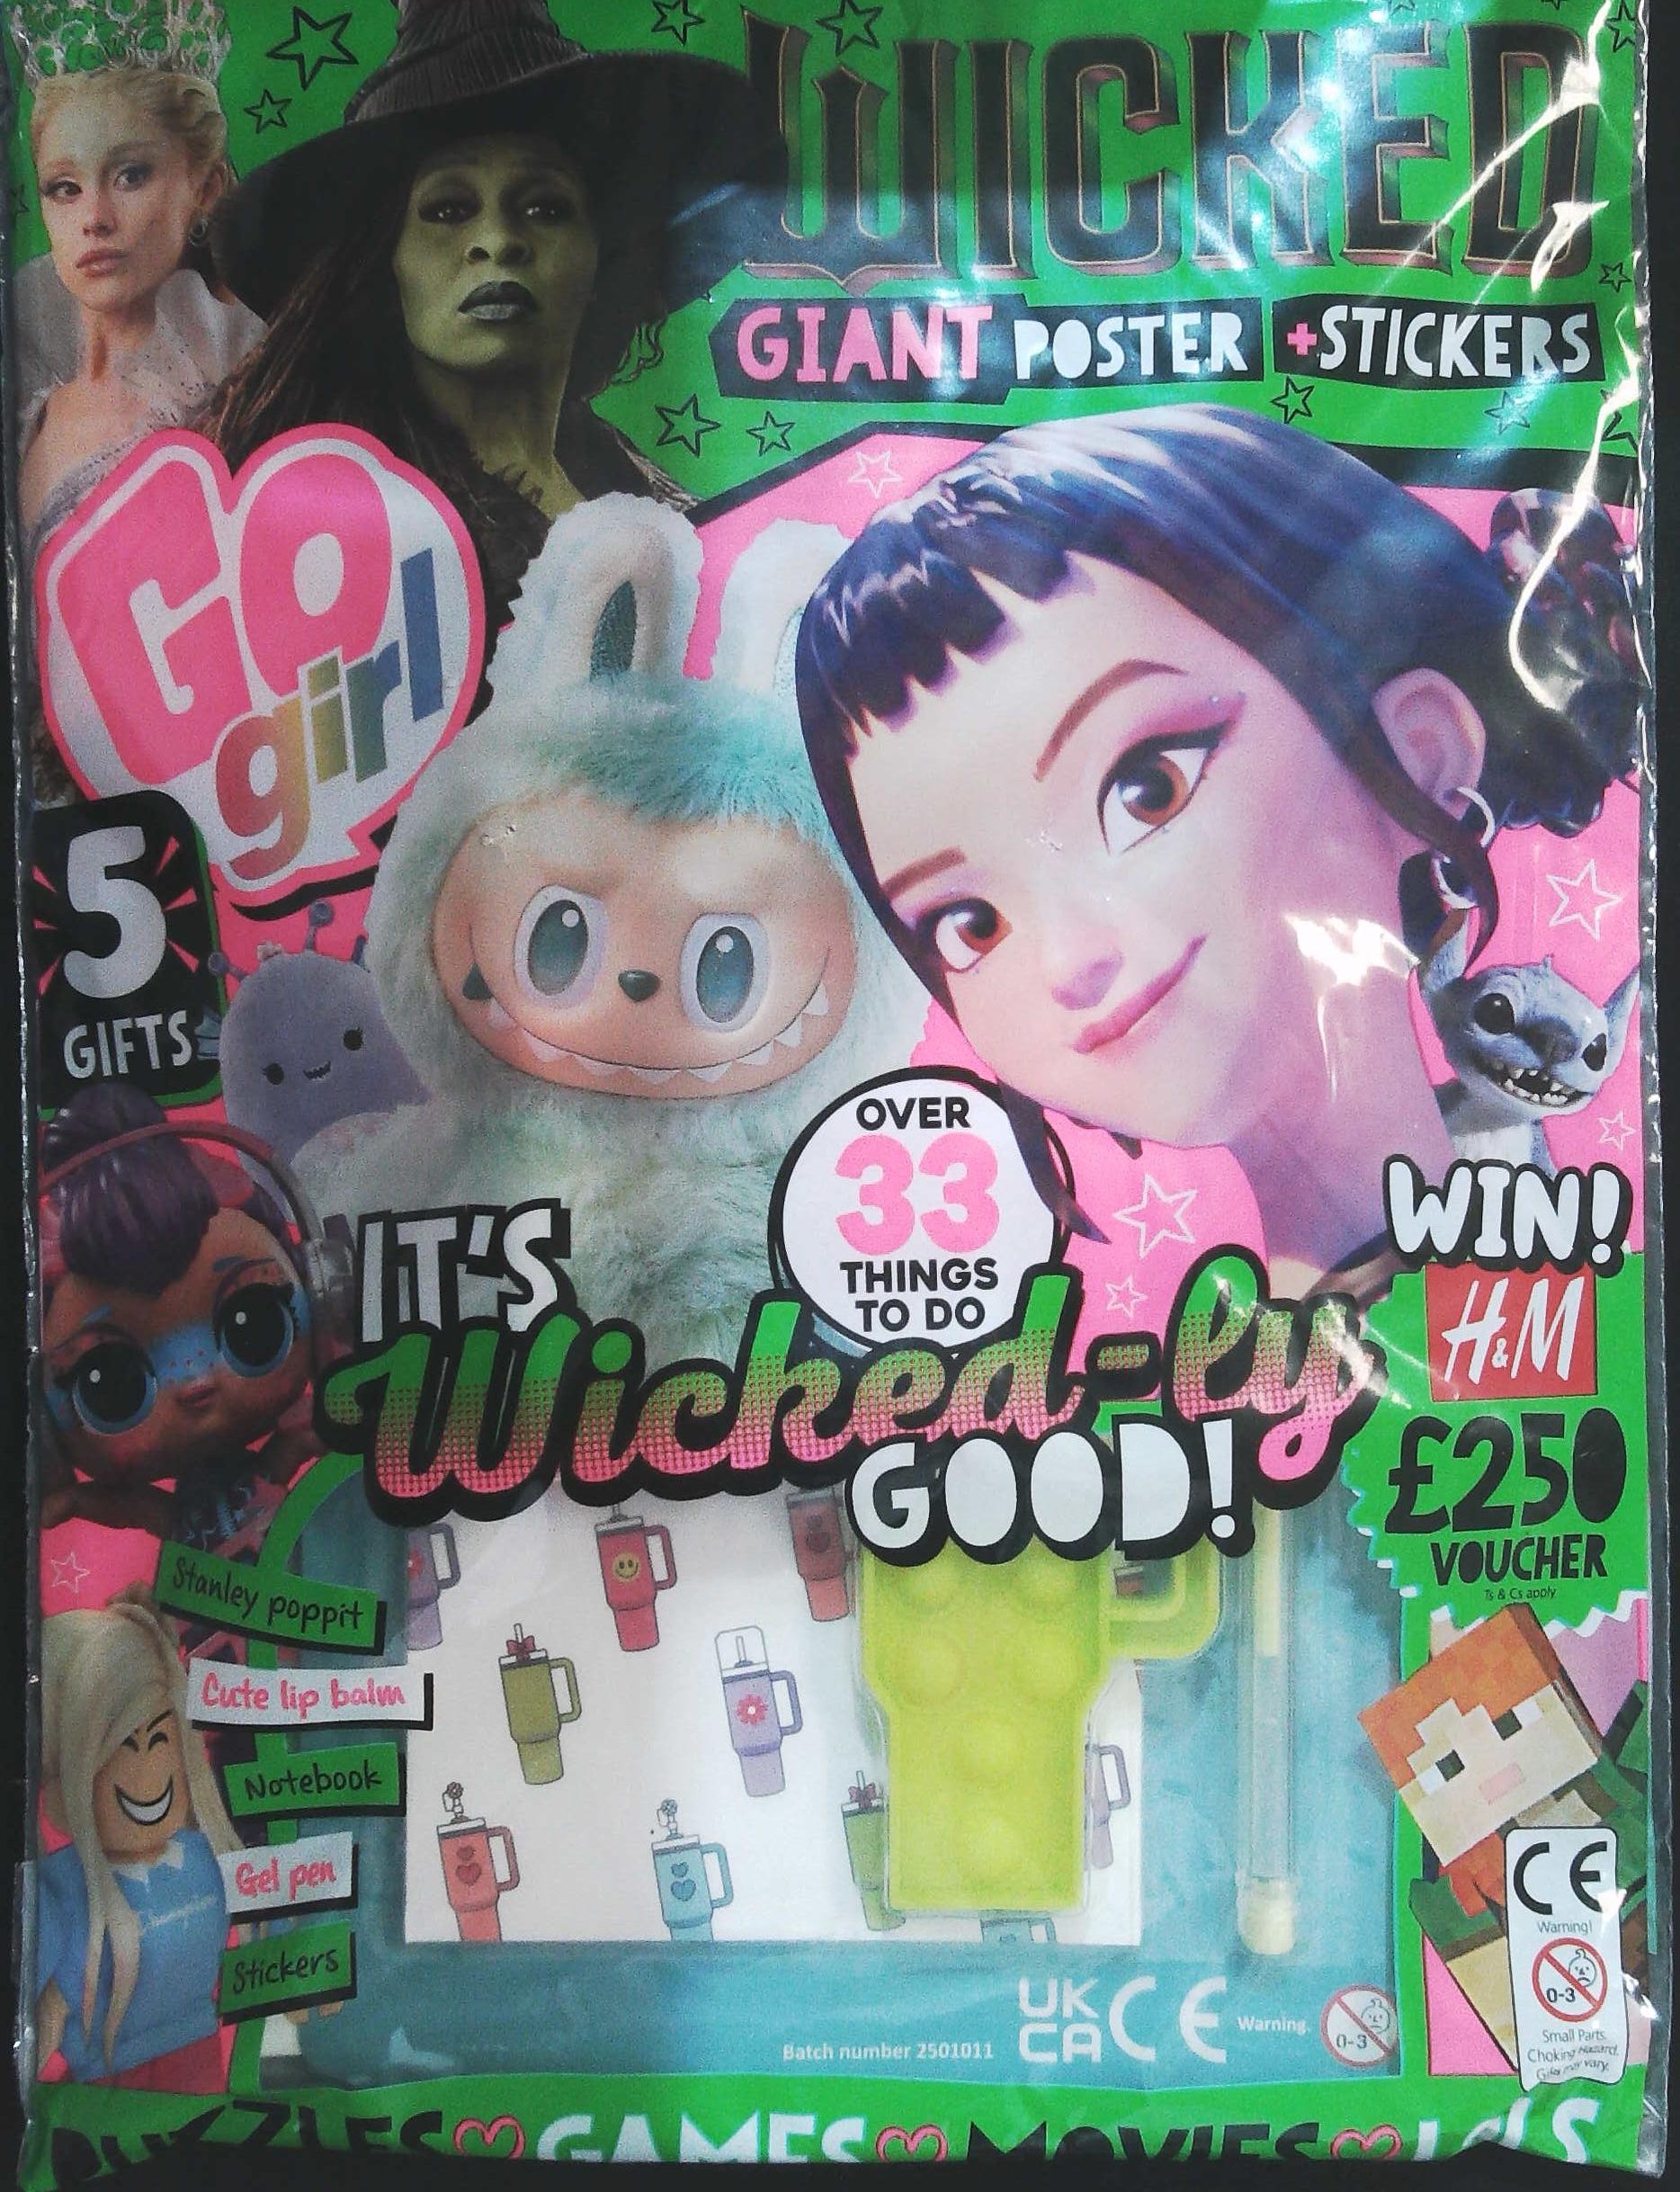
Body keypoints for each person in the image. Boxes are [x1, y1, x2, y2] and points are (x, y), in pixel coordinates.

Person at [795, 406, 1641, 1300]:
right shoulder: (1172, 1340)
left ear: (1417, 753)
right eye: (969, 924)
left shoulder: (1561, 1275)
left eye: (1145, 790)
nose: (1069, 961)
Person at [202, 0, 785, 636]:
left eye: (546, 209)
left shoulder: (649, 497)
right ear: (386, 265)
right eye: (449, 210)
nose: (498, 241)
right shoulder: (324, 528)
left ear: (598, 260)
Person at [10, 0, 260, 562]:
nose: (94, 218)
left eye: (130, 175)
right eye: (65, 188)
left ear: (206, 189)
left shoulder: (252, 387)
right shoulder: (35, 417)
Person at [39, 1083, 320, 1542]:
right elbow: (138, 1509)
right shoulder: (184, 1515)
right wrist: (74, 1499)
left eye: (252, 1326)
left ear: (321, 1290)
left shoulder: (271, 1467)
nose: (195, 1383)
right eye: (112, 1383)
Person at [36, 1590, 239, 2089]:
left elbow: (264, 1926)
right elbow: (49, 2009)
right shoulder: (63, 1888)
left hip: (196, 2055)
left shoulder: (207, 1857)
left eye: (159, 1738)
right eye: (123, 1746)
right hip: (104, 2081)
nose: (148, 1769)